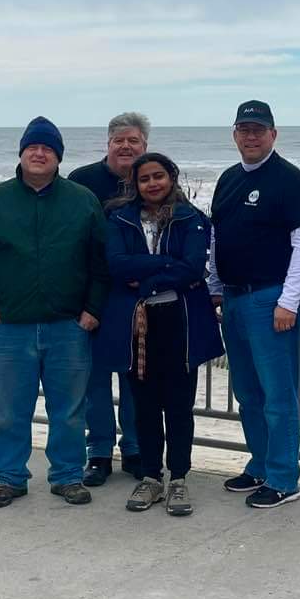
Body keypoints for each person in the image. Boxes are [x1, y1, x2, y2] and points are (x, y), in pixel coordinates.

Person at [0, 116, 109, 508]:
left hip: (69, 327)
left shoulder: (82, 200)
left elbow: (100, 262)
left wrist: (92, 309)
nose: (39, 153)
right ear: (22, 153)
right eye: (32, 147)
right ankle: (9, 478)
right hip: (9, 328)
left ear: (58, 157)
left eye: (47, 148)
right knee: (9, 412)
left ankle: (67, 476)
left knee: (70, 411)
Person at [93, 153, 224, 515]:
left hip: (180, 320)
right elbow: (117, 264)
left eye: (158, 176)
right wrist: (167, 264)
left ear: (171, 178)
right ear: (135, 185)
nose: (152, 184)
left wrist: (147, 280)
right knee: (145, 405)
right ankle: (151, 477)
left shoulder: (191, 218)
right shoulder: (119, 218)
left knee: (179, 405)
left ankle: (178, 478)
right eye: (144, 179)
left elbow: (193, 267)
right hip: (136, 322)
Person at [207, 100, 300, 508]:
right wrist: (214, 286)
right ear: (234, 134)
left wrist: (289, 301)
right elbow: (217, 237)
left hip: (271, 299)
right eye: (244, 129)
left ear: (273, 134)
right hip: (234, 298)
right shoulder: (227, 179)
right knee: (247, 392)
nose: (251, 136)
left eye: (259, 130)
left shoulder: (290, 180)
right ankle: (259, 465)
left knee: (278, 395)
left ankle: (284, 478)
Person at [69, 112, 150, 485]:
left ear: (144, 145)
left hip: (137, 299)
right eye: (119, 140)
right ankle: (99, 452)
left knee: (136, 377)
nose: (126, 146)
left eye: (133, 140)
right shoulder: (82, 181)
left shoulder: (152, 179)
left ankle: (134, 449)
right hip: (92, 298)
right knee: (95, 380)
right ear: (108, 144)